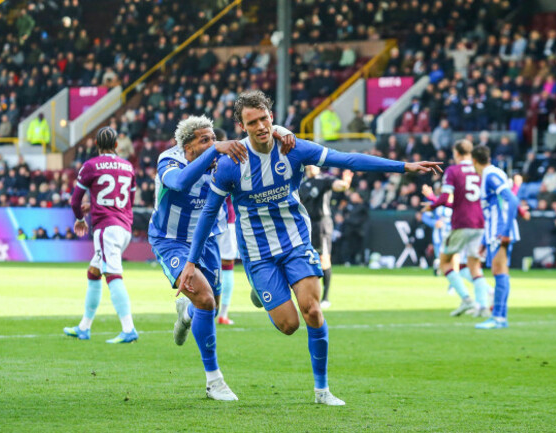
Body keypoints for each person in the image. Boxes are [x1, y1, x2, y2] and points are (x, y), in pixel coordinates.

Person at [180, 90, 441, 406]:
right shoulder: (231, 163)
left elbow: (347, 160)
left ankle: (322, 391)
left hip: (297, 243)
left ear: (272, 118)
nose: (261, 126)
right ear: (242, 125)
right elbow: (209, 212)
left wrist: (405, 166)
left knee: (313, 311)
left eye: (264, 119)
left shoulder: (293, 148)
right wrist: (191, 262)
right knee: (289, 325)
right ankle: (259, 287)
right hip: (259, 253)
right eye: (253, 122)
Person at [148, 115, 293, 401]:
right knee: (205, 298)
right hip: (171, 241)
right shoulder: (170, 160)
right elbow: (178, 183)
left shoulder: (223, 158)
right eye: (205, 140)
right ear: (187, 146)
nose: (214, 144)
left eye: (215, 138)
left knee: (208, 308)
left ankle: (185, 313)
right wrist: (216, 150)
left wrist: (283, 131)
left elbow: (259, 136)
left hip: (210, 239)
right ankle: (214, 381)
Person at [63, 127, 139, 344]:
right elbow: (128, 202)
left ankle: (128, 328)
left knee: (113, 275)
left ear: (96, 145)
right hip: (124, 226)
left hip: (107, 229)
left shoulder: (91, 166)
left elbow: (74, 201)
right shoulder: (127, 166)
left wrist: (79, 218)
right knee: (94, 272)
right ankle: (84, 328)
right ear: (117, 146)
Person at [422, 140, 493, 317]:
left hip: (462, 222)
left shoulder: (453, 170)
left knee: (444, 262)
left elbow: (446, 198)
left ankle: (466, 299)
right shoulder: (481, 171)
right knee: (472, 265)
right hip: (480, 223)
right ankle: (483, 306)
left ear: (457, 153)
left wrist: (432, 203)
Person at [472, 146, 520, 330]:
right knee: (499, 272)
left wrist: (506, 232)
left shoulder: (491, 176)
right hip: (494, 232)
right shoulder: (493, 174)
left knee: (500, 272)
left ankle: (499, 317)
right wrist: (484, 241)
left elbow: (512, 200)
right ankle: (499, 317)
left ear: (474, 161)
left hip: (500, 232)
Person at [299, 166, 352, 308]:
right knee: (306, 259)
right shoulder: (301, 183)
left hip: (322, 224)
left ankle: (325, 298)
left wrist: (345, 184)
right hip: (307, 224)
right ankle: (309, 294)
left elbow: (337, 185)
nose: (311, 166)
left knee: (324, 259)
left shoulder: (324, 179)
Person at [213, 128, 238, 325]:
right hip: (228, 220)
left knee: (203, 265)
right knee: (227, 266)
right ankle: (223, 313)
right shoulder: (231, 162)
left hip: (207, 220)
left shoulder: (205, 162)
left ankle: (206, 310)